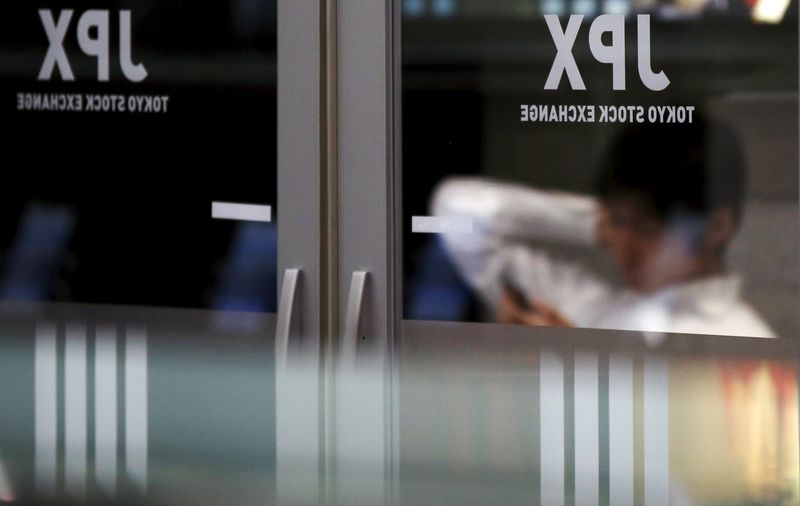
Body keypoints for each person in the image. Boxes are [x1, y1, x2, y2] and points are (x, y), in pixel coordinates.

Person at [432, 119, 776, 338]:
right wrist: (594, 224)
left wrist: (580, 367)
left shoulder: (747, 343)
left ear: (717, 227)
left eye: (647, 229)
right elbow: (455, 211)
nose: (622, 250)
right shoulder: (590, 310)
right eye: (615, 224)